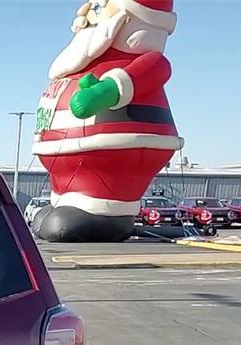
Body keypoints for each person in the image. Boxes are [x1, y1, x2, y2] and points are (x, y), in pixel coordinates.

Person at [32, 0, 183, 242]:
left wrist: (108, 90)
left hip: (114, 151)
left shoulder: (146, 60)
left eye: (100, 10)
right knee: (58, 219)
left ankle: (107, 214)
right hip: (67, 162)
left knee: (68, 221)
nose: (91, 19)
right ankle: (65, 201)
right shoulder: (78, 62)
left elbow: (156, 69)